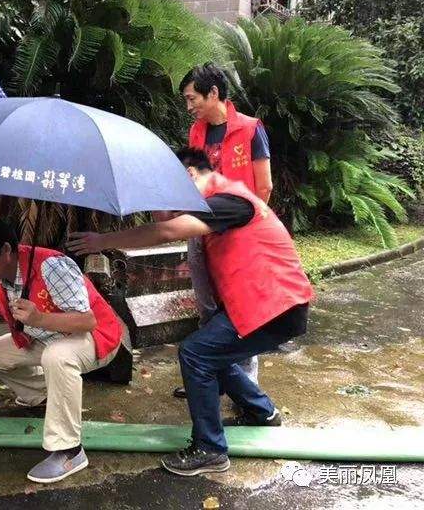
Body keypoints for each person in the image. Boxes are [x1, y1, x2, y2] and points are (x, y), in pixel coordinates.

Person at [67, 148, 312, 477]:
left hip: (275, 305)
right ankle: (261, 412)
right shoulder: (214, 204)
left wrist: (102, 240)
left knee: (196, 353)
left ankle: (211, 450)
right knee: (212, 352)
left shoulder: (228, 201)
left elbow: (166, 231)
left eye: (173, 187)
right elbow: (165, 223)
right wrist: (156, 199)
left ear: (192, 175)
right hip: (267, 303)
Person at [0, 219, 122, 483]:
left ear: (6, 250)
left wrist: (39, 319)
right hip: (46, 339)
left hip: (95, 337)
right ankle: (40, 393)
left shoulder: (53, 266)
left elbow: (87, 321)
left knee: (57, 357)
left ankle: (70, 451)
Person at [175, 62, 273, 397]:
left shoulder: (250, 129)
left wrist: (250, 227)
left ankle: (246, 388)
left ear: (213, 93)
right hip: (202, 230)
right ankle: (210, 376)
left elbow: (265, 187)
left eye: (192, 99)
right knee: (207, 306)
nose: (190, 107)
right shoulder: (197, 132)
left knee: (242, 308)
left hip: (240, 237)